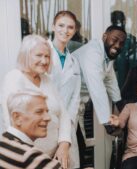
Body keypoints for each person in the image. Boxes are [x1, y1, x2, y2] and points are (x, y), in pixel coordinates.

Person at [1, 35, 71, 169]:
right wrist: (35, 158)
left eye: (47, 56)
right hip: (30, 159)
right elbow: (12, 123)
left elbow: (63, 114)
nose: (44, 61)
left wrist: (64, 143)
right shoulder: (14, 78)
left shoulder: (47, 79)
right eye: (39, 55)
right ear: (26, 55)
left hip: (56, 155)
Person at [73, 25, 126, 124]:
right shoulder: (92, 52)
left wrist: (124, 111)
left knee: (77, 137)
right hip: (66, 103)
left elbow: (111, 82)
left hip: (77, 104)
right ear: (104, 37)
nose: (118, 45)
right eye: (114, 40)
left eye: (121, 43)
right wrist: (107, 123)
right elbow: (97, 88)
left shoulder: (106, 56)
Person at [48, 10, 81, 168]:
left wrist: (66, 133)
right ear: (53, 27)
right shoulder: (41, 54)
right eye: (61, 25)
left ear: (74, 31)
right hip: (43, 124)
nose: (65, 30)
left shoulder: (74, 62)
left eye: (70, 27)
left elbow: (75, 99)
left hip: (66, 126)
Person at [0, 90, 62, 169]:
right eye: (39, 112)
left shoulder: (3, 141)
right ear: (17, 117)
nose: (48, 118)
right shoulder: (28, 155)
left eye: (47, 111)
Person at [111, 10, 137, 106]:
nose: (117, 25)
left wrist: (120, 93)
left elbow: (133, 71)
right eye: (114, 22)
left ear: (124, 21)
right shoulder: (110, 43)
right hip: (115, 94)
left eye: (119, 22)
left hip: (129, 95)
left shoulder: (132, 42)